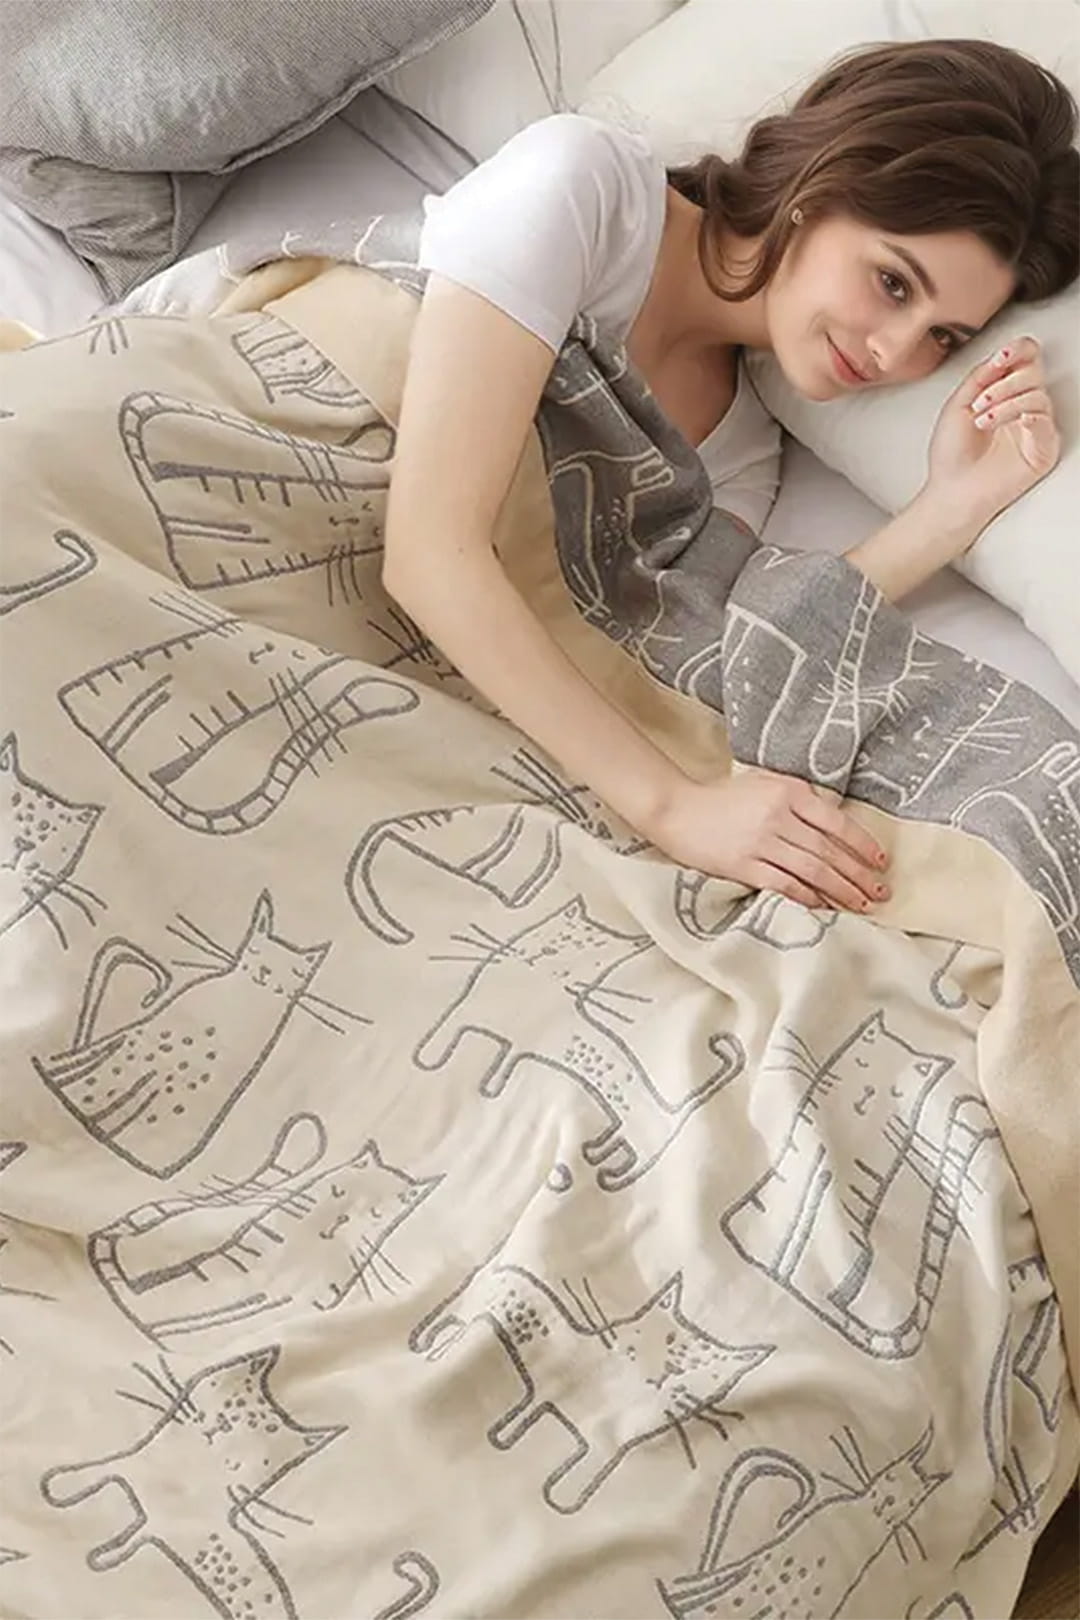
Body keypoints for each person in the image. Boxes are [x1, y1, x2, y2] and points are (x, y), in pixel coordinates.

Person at [382, 38, 1079, 913]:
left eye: (943, 337)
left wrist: (951, 508)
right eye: (895, 285)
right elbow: (428, 553)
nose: (895, 352)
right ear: (818, 189)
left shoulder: (737, 452)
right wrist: (673, 808)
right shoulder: (587, 188)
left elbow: (734, 654)